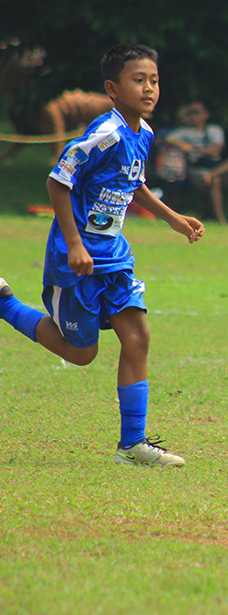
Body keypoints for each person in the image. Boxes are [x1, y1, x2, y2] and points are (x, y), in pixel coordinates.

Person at [0, 43, 205, 466]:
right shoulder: (105, 134)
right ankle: (5, 304)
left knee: (138, 337)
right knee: (81, 354)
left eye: (154, 80)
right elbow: (58, 182)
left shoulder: (143, 133)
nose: (149, 88)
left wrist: (171, 217)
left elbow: (135, 182)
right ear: (113, 89)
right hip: (76, 260)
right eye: (138, 80)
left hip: (115, 256)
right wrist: (74, 243)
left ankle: (133, 445)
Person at [164, 101, 227, 223]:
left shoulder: (214, 130)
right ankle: (221, 219)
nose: (193, 116)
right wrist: (181, 145)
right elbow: (167, 139)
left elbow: (215, 150)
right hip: (197, 168)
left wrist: (192, 148)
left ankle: (212, 174)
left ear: (205, 115)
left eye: (196, 112)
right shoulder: (184, 132)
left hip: (217, 166)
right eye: (190, 113)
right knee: (215, 180)